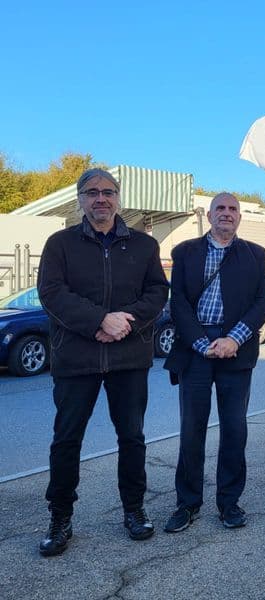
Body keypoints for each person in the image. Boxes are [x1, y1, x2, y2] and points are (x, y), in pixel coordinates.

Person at [36, 168, 169, 556]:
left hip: (128, 359)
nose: (101, 199)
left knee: (132, 438)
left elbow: (157, 292)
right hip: (76, 360)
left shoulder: (144, 245)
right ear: (80, 198)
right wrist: (98, 321)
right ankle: (60, 517)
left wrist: (121, 324)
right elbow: (52, 293)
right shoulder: (59, 243)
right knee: (66, 440)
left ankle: (134, 510)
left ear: (118, 197)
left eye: (108, 192)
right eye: (92, 192)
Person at [163, 193, 265, 532]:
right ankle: (188, 503)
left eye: (233, 209)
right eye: (220, 209)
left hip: (235, 351)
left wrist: (233, 339)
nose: (227, 213)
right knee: (192, 429)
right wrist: (200, 343)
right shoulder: (185, 252)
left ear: (240, 217)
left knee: (235, 429)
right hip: (196, 351)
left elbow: (261, 304)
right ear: (209, 215)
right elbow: (177, 302)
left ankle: (229, 502)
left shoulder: (255, 254)